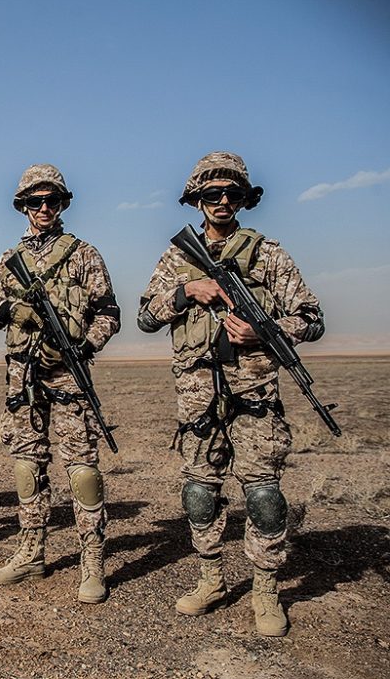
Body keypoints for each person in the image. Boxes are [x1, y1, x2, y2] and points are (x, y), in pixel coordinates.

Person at [137, 151, 326, 637]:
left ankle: (266, 591)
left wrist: (264, 331)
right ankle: (211, 579)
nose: (222, 201)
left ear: (245, 199)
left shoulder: (268, 254)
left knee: (263, 495)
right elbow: (145, 317)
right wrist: (186, 292)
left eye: (232, 194)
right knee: (199, 493)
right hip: (197, 399)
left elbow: (311, 319)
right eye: (212, 194)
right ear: (196, 199)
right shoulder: (178, 258)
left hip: (255, 394)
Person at [0, 164, 120, 603]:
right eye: (35, 201)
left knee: (82, 469)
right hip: (22, 376)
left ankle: (92, 560)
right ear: (23, 206)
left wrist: (83, 347)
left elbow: (109, 313)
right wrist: (7, 312)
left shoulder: (84, 254)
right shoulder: (8, 259)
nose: (43, 208)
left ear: (62, 204)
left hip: (68, 374)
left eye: (51, 200)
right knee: (26, 464)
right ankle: (32, 551)